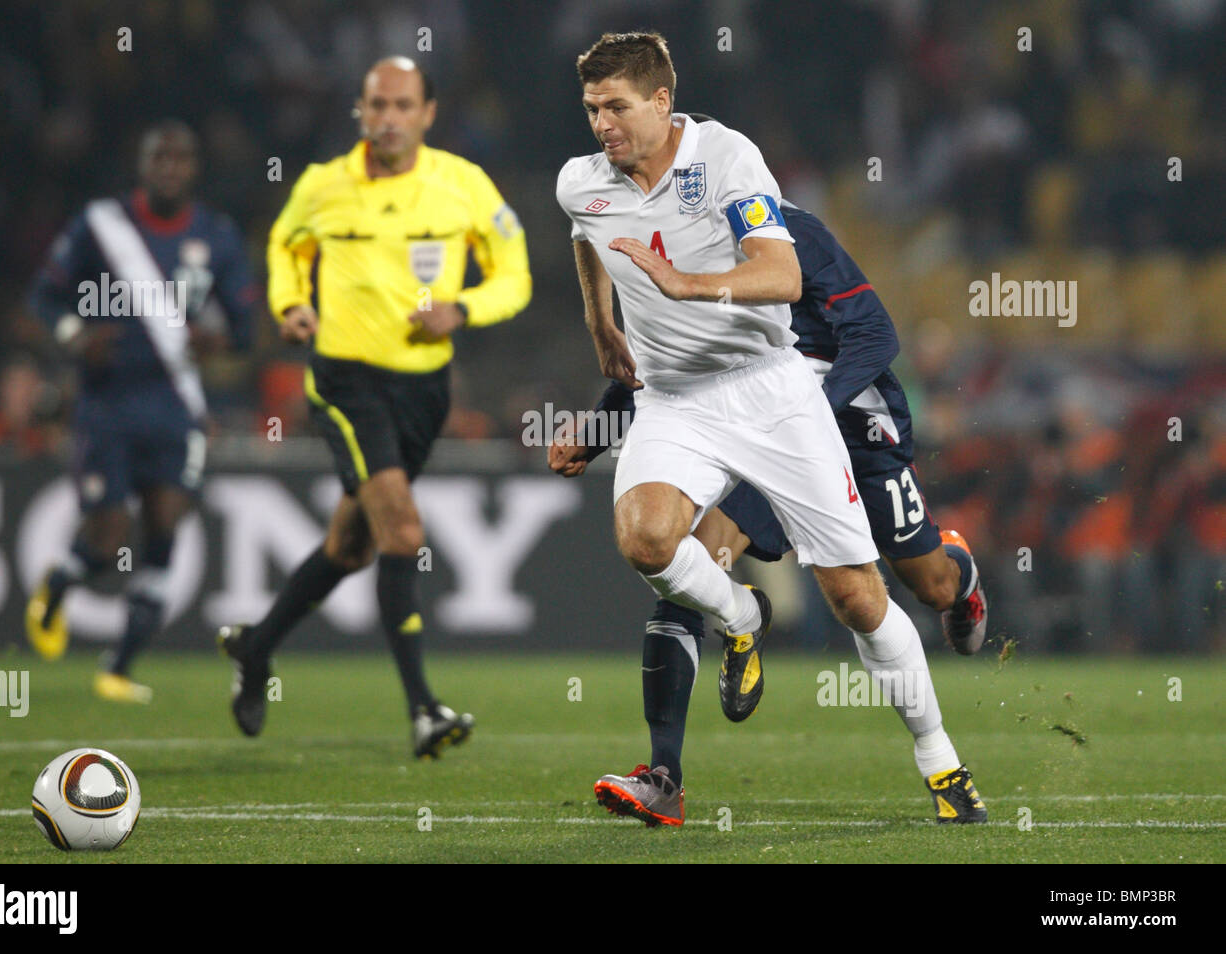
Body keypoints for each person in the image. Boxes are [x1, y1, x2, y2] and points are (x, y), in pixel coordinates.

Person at [554, 33, 985, 826]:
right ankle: (729, 649)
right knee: (649, 541)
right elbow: (588, 238)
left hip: (781, 400)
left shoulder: (727, 162)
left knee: (860, 596)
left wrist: (689, 284)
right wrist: (599, 328)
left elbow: (786, 280)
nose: (601, 124)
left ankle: (941, 760)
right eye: (590, 109)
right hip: (676, 405)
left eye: (615, 107)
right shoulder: (581, 182)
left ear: (661, 102)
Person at [218, 57, 531, 759]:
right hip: (345, 380)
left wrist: (464, 307)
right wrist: (290, 302)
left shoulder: (464, 185)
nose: (387, 117)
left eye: (402, 105)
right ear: (361, 111)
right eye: (376, 105)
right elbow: (285, 246)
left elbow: (515, 276)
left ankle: (257, 647)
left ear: (428, 113)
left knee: (349, 546)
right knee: (402, 529)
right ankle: (423, 710)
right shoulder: (324, 185)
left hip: (425, 387)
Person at [26, 119, 256, 702]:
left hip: (177, 407)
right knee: (108, 539)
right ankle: (59, 582)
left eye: (180, 159)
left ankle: (118, 667)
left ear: (194, 168)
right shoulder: (102, 226)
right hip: (107, 403)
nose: (170, 168)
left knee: (164, 531)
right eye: (159, 158)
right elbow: (44, 295)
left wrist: (220, 341)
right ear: (143, 164)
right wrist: (77, 332)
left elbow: (248, 326)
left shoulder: (218, 237)